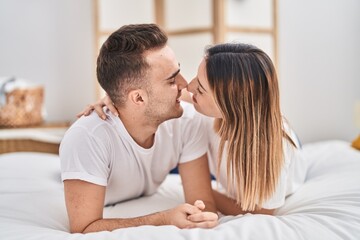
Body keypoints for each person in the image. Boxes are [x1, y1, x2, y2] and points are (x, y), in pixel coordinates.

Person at [85, 42, 307, 216]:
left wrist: (200, 190)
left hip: (274, 148)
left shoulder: (274, 151)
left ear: (228, 105)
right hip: (223, 159)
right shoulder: (213, 115)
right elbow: (151, 95)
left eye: (200, 88)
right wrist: (115, 97)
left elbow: (263, 212)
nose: (189, 87)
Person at [59, 23, 218, 234]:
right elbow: (84, 227)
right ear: (138, 97)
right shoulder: (87, 139)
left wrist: (198, 215)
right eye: (172, 80)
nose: (185, 84)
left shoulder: (188, 121)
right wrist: (163, 219)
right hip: (90, 164)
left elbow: (203, 201)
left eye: (178, 72)